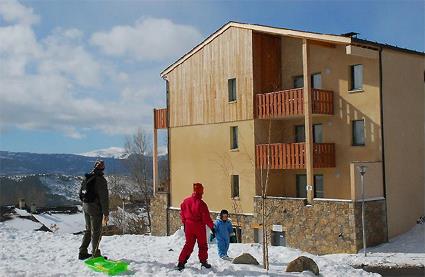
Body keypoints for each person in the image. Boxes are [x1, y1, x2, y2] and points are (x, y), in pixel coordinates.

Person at [176, 183, 215, 271]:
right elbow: (206, 218)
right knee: (202, 245)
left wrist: (185, 223)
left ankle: (181, 263)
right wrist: (212, 227)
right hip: (199, 226)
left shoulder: (185, 201)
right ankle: (203, 262)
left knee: (188, 245)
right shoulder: (201, 204)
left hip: (188, 225)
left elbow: (182, 213)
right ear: (201, 191)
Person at [79, 160, 109, 260]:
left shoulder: (87, 177)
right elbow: (104, 198)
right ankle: (95, 254)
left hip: (85, 206)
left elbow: (81, 193)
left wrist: (85, 204)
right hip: (95, 208)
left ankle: (82, 251)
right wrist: (106, 213)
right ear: (103, 168)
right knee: (96, 231)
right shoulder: (101, 180)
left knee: (88, 230)